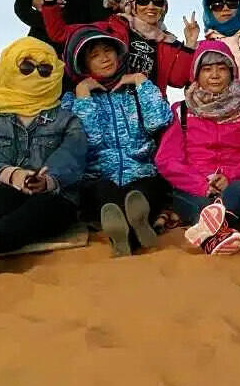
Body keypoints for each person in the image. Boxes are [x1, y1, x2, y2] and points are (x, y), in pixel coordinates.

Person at [0, 38, 88, 281]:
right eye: (26, 66)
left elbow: (73, 154)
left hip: (51, 192)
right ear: (9, 67)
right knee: (2, 197)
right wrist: (11, 174)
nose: (35, 74)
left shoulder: (67, 118)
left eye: (44, 69)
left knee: (48, 206)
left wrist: (49, 179)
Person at [60, 27, 173, 256]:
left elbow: (158, 121)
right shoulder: (72, 100)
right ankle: (130, 234)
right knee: (104, 192)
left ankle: (127, 236)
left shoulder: (134, 91)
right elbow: (89, 142)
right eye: (94, 55)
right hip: (99, 179)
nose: (104, 58)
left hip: (140, 173)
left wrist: (141, 81)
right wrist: (84, 96)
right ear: (83, 64)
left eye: (108, 50)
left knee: (145, 190)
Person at [155, 41, 240, 255]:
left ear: (232, 71)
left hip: (237, 183)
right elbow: (167, 160)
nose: (215, 75)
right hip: (195, 187)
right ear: (196, 75)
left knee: (238, 191)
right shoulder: (181, 110)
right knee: (199, 203)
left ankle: (210, 230)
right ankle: (218, 235)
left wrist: (230, 176)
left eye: (222, 68)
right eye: (207, 69)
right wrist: (202, 185)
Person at [40, 0, 197, 92]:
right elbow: (58, 33)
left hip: (150, 112)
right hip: (113, 105)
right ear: (131, 3)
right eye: (143, 1)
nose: (151, 6)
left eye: (158, 2)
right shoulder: (111, 27)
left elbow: (178, 80)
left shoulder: (167, 41)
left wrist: (190, 44)